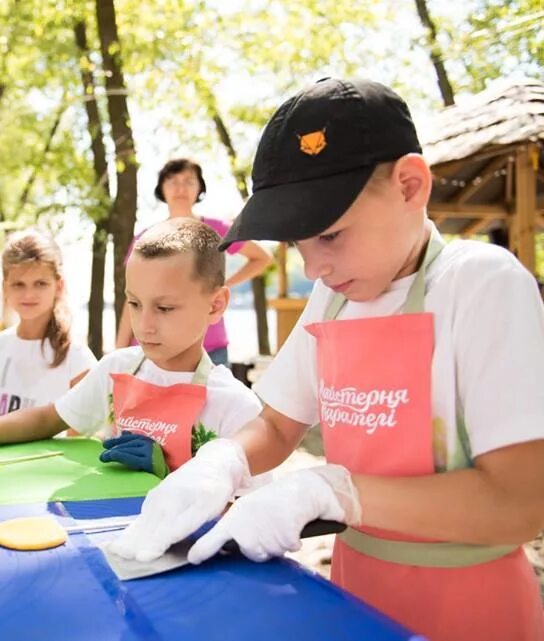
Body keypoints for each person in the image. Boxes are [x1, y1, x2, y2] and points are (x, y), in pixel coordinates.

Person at [109, 79, 544, 641]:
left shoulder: (481, 284)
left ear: (410, 186)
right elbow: (275, 423)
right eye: (298, 244)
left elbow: (521, 502)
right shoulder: (335, 294)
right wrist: (219, 464)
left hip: (469, 607)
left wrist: (332, 491)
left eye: (331, 235)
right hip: (350, 594)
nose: (313, 268)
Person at [0, 218, 264, 479]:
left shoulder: (238, 409)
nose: (144, 325)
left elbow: (253, 520)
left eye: (165, 308)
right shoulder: (117, 370)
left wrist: (169, 474)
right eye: (134, 304)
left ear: (216, 305)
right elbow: (51, 417)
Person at [115, 158, 272, 366]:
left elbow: (262, 258)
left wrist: (221, 286)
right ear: (161, 188)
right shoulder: (146, 237)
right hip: (152, 349)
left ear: (199, 188)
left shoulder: (217, 229)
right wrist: (118, 351)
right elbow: (133, 297)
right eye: (172, 180)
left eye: (188, 180)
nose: (180, 187)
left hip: (208, 349)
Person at [0, 230, 96, 417]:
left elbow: (78, 439)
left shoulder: (77, 359)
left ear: (58, 286)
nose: (28, 294)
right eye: (18, 284)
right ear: (5, 287)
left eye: (40, 284)